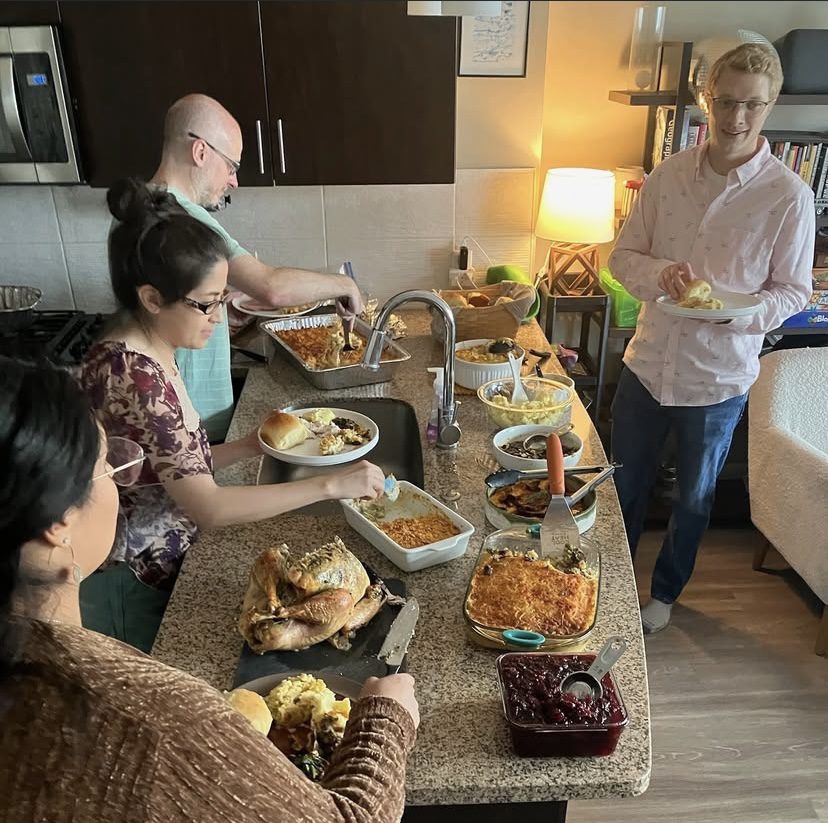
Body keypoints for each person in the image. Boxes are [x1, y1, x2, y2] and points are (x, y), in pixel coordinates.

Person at [0, 356, 419, 823]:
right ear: (58, 522)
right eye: (105, 466)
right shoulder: (155, 721)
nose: (120, 482)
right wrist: (385, 718)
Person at [80, 178, 386, 652]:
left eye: (222, 300)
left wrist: (247, 447)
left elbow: (165, 467)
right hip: (133, 579)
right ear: (152, 298)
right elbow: (209, 505)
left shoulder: (154, 346)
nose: (218, 318)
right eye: (206, 304)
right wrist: (332, 483)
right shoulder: (133, 376)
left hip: (164, 563)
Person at [608, 43, 815, 634]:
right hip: (648, 365)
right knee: (623, 483)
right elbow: (624, 257)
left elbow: (793, 293)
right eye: (726, 101)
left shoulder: (788, 199)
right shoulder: (668, 178)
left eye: (752, 104)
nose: (737, 117)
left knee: (692, 502)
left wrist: (735, 311)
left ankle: (665, 596)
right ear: (707, 100)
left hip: (718, 378)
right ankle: (613, 589)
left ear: (770, 104)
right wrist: (658, 275)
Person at [148, 93, 364, 441]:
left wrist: (217, 306)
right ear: (201, 152)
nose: (233, 180)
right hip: (191, 418)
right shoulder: (183, 216)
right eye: (231, 166)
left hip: (174, 412)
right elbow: (271, 287)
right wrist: (345, 285)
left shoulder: (143, 207)